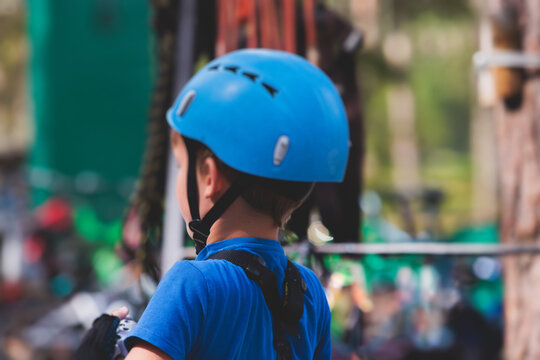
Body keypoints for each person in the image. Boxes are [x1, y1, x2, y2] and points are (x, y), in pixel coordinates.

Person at [78, 48, 349, 360]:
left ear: (209, 176)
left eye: (180, 165)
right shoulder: (309, 291)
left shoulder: (192, 285)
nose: (178, 177)